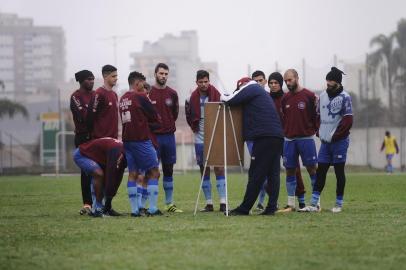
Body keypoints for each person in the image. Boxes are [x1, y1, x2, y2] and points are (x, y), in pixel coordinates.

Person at [221, 77, 284, 215]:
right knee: (273, 174)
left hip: (264, 137)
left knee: (255, 174)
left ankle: (244, 208)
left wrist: (222, 95)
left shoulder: (251, 87)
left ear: (243, 85)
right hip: (276, 136)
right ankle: (271, 208)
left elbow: (230, 100)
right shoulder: (259, 91)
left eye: (239, 89)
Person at [300, 67, 353, 213]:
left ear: (338, 83)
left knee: (339, 171)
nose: (328, 86)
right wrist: (318, 131)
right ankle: (314, 204)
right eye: (327, 83)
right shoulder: (322, 96)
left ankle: (338, 204)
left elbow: (348, 120)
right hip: (325, 143)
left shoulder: (345, 97)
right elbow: (317, 116)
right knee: (321, 171)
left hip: (339, 141)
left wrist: (336, 135)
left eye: (331, 83)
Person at [119, 71, 163, 216]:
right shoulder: (140, 96)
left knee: (133, 173)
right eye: (143, 84)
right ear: (137, 83)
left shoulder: (123, 98)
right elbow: (154, 115)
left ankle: (135, 210)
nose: (144, 86)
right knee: (154, 172)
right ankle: (152, 208)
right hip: (141, 140)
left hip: (127, 141)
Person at [185, 70, 227, 212]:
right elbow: (188, 115)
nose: (203, 84)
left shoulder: (217, 95)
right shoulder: (191, 98)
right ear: (196, 82)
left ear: (209, 81)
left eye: (206, 81)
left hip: (215, 134)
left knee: (219, 167)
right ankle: (209, 203)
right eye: (201, 82)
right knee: (204, 169)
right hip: (200, 137)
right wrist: (194, 127)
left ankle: (223, 202)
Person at [279, 69, 318, 212]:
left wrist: (313, 130)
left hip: (306, 138)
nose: (287, 83)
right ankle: (291, 204)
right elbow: (284, 118)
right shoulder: (285, 99)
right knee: (290, 170)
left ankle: (316, 203)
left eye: (290, 80)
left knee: (312, 169)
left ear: (297, 78)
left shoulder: (309, 96)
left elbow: (316, 116)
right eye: (286, 81)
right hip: (289, 140)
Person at [268, 72, 307, 209]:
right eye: (271, 83)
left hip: (286, 139)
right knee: (269, 171)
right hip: (271, 140)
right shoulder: (265, 99)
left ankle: (301, 200)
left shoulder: (286, 98)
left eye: (276, 83)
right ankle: (272, 202)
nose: (273, 85)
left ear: (281, 84)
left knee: (294, 169)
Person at [148, 63, 182, 213]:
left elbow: (174, 114)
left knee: (169, 170)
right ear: (155, 74)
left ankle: (169, 204)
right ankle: (150, 205)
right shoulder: (148, 92)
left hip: (169, 137)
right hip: (154, 137)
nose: (163, 76)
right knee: (151, 170)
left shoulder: (173, 93)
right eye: (161, 73)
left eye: (166, 74)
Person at [73, 137, 126, 217]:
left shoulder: (123, 151)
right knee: (99, 174)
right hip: (81, 155)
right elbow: (111, 176)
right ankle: (98, 208)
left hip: (93, 156)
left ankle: (103, 208)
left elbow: (118, 174)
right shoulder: (116, 151)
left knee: (104, 177)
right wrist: (109, 198)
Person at [70, 70, 95, 215]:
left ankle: (99, 203)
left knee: (99, 170)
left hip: (96, 137)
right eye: (88, 79)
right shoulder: (76, 97)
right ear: (81, 81)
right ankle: (87, 204)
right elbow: (84, 117)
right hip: (82, 137)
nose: (91, 81)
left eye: (92, 79)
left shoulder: (95, 95)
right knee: (87, 171)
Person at [250, 70, 268, 210]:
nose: (258, 83)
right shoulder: (248, 98)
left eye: (260, 80)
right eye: (255, 81)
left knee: (267, 171)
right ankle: (261, 202)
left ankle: (265, 200)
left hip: (269, 138)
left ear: (265, 81)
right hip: (253, 139)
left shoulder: (269, 97)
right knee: (258, 170)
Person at [87, 65, 119, 139]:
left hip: (113, 139)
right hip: (101, 139)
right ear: (105, 76)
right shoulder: (99, 93)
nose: (116, 78)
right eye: (113, 76)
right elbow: (90, 116)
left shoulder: (114, 94)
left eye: (116, 76)